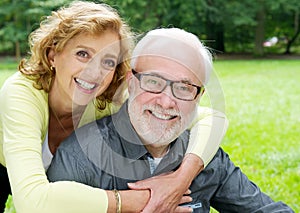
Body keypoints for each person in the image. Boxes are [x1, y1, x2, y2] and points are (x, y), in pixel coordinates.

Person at [0, 1, 228, 213]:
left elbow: (213, 118)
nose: (94, 72)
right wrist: (143, 200)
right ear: (53, 55)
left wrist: (180, 180)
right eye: (82, 54)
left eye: (108, 61)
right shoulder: (21, 92)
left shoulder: (106, 94)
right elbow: (32, 202)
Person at [47, 28, 294, 213]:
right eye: (153, 82)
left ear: (198, 97)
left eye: (184, 88)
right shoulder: (80, 157)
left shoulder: (204, 156)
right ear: (131, 84)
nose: (166, 102)